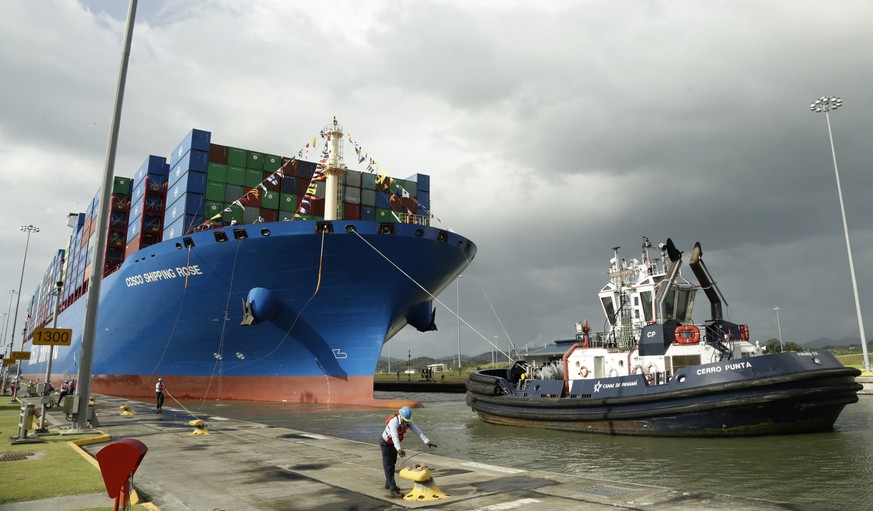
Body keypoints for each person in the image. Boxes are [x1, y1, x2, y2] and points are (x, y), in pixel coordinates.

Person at [380, 406, 437, 498]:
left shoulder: (407, 421)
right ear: (400, 415)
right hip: (386, 443)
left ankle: (388, 483)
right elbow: (394, 436)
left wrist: (427, 441)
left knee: (393, 463)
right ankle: (393, 489)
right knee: (388, 465)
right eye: (404, 420)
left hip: (394, 445)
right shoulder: (393, 422)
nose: (405, 421)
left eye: (407, 420)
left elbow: (417, 431)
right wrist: (399, 449)